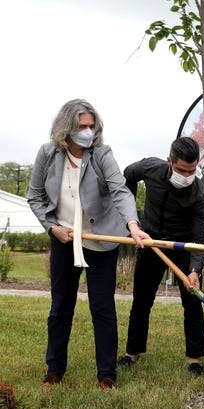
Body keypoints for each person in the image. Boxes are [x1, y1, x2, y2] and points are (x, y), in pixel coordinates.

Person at [27, 99, 149, 390]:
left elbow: (120, 191)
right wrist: (52, 227)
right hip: (64, 240)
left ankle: (106, 374)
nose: (88, 131)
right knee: (61, 307)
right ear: (66, 127)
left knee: (103, 308)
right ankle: (54, 370)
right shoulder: (47, 153)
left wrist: (133, 225)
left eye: (92, 126)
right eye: (82, 126)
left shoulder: (102, 154)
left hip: (101, 241)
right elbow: (35, 196)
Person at [118, 137, 204, 376]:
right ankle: (132, 353)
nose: (186, 176)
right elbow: (127, 176)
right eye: (180, 170)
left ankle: (194, 360)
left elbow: (200, 239)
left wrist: (195, 269)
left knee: (192, 303)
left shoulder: (199, 193)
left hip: (183, 247)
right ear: (169, 162)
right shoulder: (150, 168)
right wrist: (131, 216)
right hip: (151, 242)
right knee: (141, 301)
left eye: (191, 171)